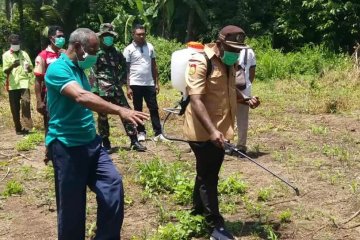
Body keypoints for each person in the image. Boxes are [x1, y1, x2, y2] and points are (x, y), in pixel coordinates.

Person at [45, 28, 149, 240]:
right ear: (78, 47)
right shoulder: (57, 69)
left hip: (91, 143)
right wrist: (120, 109)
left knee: (112, 186)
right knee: (72, 208)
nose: (96, 54)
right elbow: (82, 97)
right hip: (67, 146)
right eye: (93, 49)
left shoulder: (79, 69)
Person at [184, 25, 246, 240]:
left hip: (220, 129)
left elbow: (227, 87)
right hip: (203, 130)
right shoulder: (201, 61)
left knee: (205, 172)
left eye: (239, 50)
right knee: (210, 176)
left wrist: (243, 98)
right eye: (233, 48)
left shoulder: (230, 61)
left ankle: (197, 212)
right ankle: (215, 226)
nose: (236, 53)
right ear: (220, 43)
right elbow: (196, 99)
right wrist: (212, 131)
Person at [90, 23, 146, 152]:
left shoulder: (116, 53)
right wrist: (95, 91)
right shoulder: (97, 53)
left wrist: (121, 81)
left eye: (110, 36)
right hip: (102, 90)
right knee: (102, 116)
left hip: (116, 89)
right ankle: (106, 143)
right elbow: (92, 73)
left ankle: (134, 141)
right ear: (101, 37)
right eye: (105, 36)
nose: (108, 39)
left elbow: (124, 67)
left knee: (127, 112)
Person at [123, 24, 167, 142]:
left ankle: (158, 133)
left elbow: (154, 66)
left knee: (154, 108)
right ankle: (141, 132)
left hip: (149, 83)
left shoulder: (150, 47)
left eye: (143, 34)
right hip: (135, 83)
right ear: (133, 35)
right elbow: (126, 69)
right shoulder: (128, 49)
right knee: (138, 109)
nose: (141, 36)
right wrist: (128, 87)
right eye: (139, 34)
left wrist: (156, 82)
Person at [34, 25, 65, 134]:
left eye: (63, 36)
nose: (62, 39)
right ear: (51, 38)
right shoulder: (43, 55)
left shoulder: (65, 54)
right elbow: (38, 80)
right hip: (50, 96)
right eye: (59, 36)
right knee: (50, 124)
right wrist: (39, 101)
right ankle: (50, 149)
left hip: (66, 94)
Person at [2, 34, 33, 135]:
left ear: (20, 43)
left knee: (26, 102)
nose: (16, 45)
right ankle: (18, 128)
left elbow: (30, 69)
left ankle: (27, 127)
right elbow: (5, 71)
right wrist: (13, 66)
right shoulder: (6, 55)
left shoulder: (24, 54)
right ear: (10, 44)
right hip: (13, 84)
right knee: (14, 107)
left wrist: (28, 68)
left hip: (24, 83)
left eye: (17, 43)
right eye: (14, 44)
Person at [235, 43, 260, 155]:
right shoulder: (249, 51)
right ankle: (241, 146)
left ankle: (225, 142)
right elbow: (252, 72)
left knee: (226, 116)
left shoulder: (225, 49)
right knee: (242, 119)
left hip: (229, 88)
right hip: (245, 89)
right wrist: (247, 83)